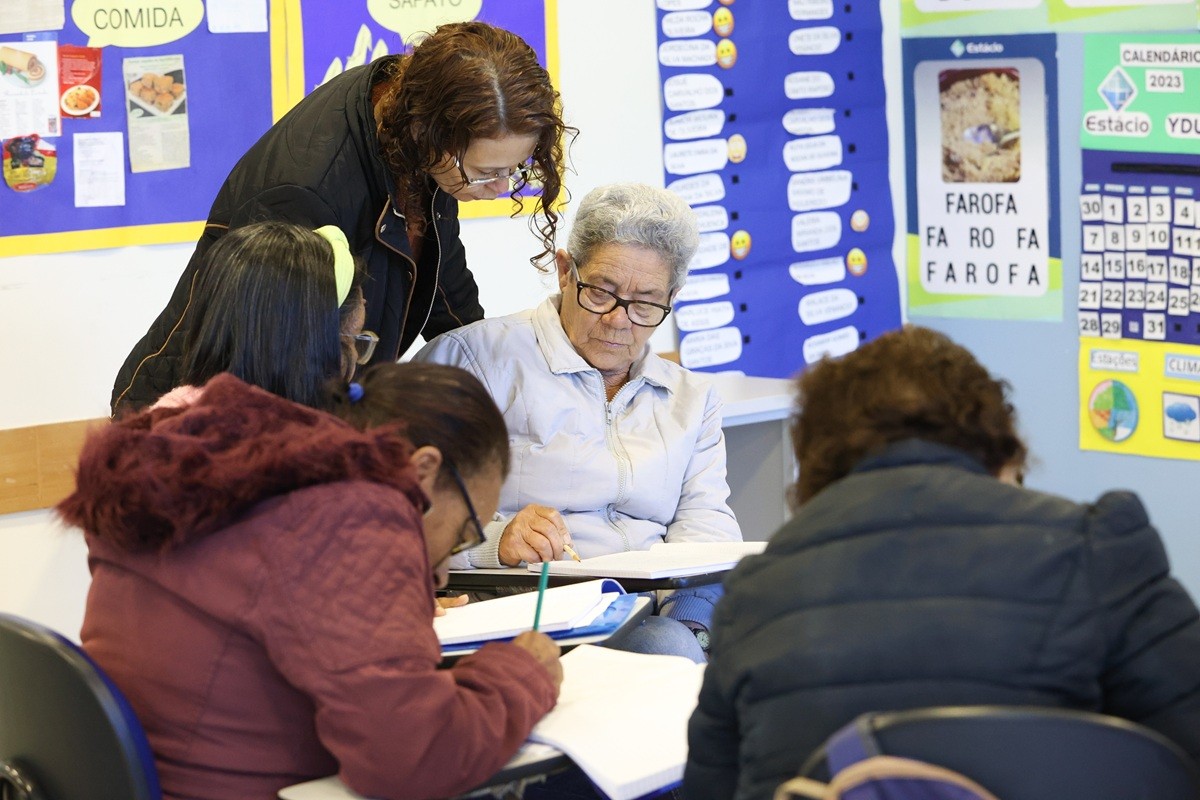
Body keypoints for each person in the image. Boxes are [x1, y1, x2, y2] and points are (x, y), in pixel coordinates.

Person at [684, 326, 1200, 800]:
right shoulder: (1094, 547)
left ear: (815, 462)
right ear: (1001, 447)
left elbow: (714, 789)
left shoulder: (754, 596)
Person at [59, 362, 563, 800]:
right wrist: (522, 672)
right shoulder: (348, 517)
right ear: (424, 472)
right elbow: (412, 756)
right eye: (462, 532)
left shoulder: (238, 485)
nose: (444, 572)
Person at [112, 20, 572, 413]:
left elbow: (444, 285)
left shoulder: (417, 119)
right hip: (200, 424)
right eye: (485, 173)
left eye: (515, 169)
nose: (497, 190)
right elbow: (277, 371)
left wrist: (493, 380)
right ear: (425, 131)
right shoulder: (305, 192)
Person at [417, 182, 741, 662]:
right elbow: (406, 509)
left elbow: (707, 521)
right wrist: (496, 539)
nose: (618, 321)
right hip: (524, 618)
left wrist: (691, 621)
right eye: (602, 293)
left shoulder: (689, 397)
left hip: (653, 619)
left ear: (672, 296)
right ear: (566, 271)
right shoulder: (477, 360)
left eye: (646, 303)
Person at [148, 220, 370, 412]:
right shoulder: (317, 449)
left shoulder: (156, 429)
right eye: (354, 341)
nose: (350, 363)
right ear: (309, 346)